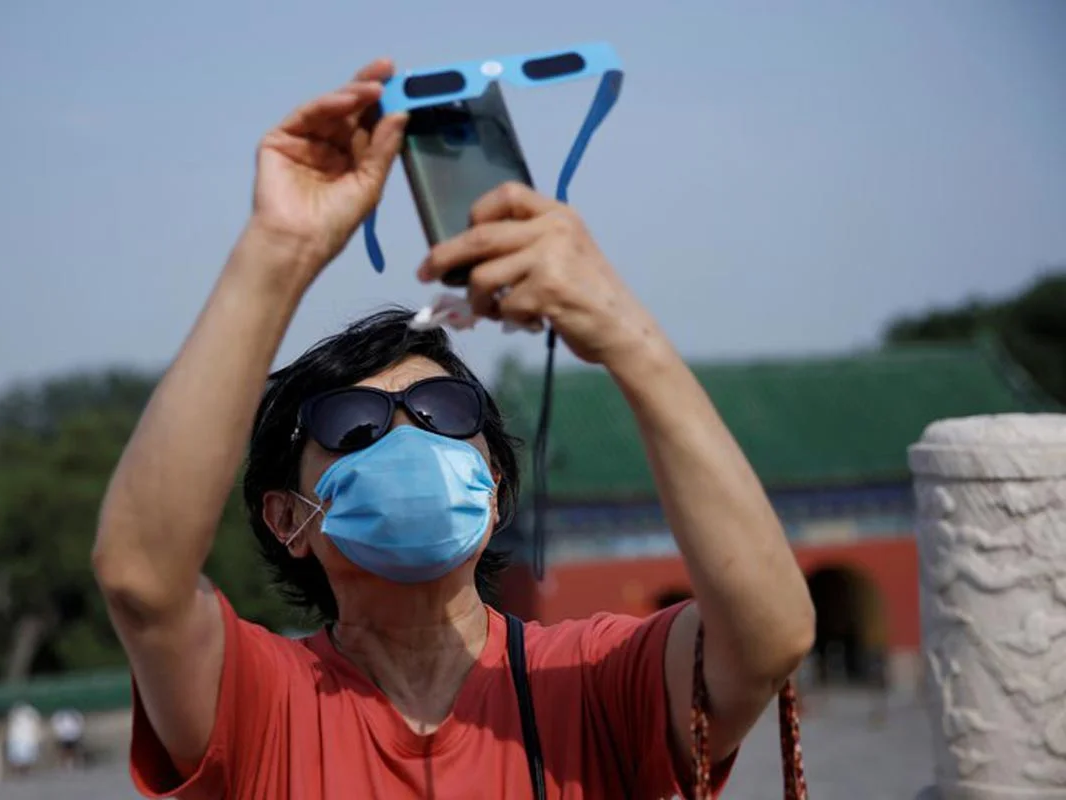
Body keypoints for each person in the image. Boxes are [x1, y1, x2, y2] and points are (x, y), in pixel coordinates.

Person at [92, 57, 815, 799]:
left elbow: (771, 637)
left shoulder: (593, 680)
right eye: (354, 424)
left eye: (445, 413)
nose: (411, 438)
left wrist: (622, 334)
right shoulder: (261, 701)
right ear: (287, 518)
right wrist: (280, 247)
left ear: (496, 488)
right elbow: (141, 582)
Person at [4, 701, 42, 777]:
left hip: (26, 738)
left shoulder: (30, 713)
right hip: (18, 738)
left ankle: (23, 771)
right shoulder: (15, 714)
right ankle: (19, 771)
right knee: (17, 756)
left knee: (26, 756)